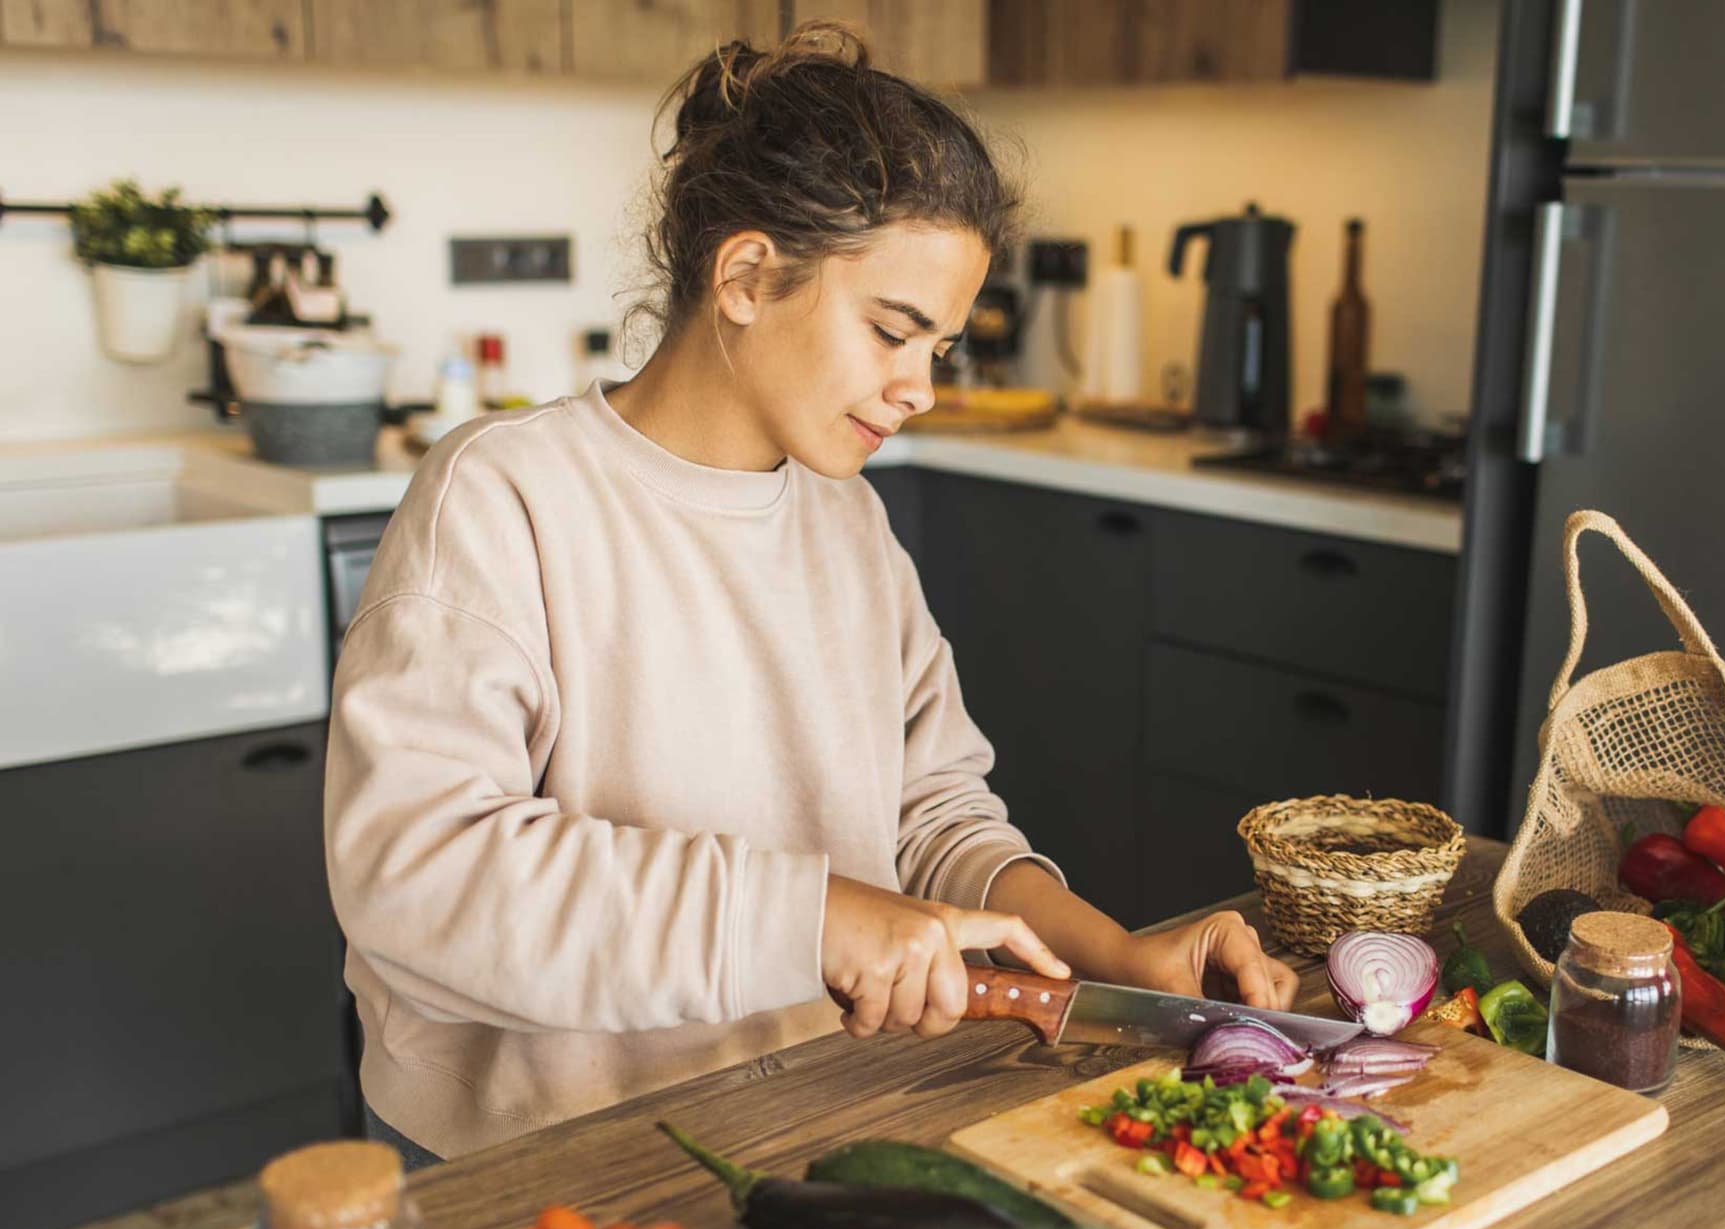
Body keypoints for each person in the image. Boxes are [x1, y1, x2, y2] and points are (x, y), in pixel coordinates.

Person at [325, 22, 1298, 1167]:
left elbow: (930, 815)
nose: (919, 387)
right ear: (743, 277)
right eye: (892, 329)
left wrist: (1110, 957)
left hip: (804, 1116)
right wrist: (817, 916)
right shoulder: (503, 499)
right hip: (540, 1159)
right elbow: (420, 872)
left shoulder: (847, 522)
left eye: (939, 345)